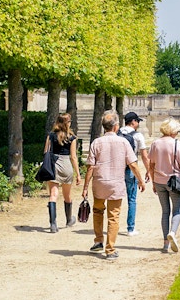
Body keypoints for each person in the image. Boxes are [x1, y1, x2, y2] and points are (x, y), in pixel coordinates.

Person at [83, 110, 145, 260]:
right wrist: (140, 180)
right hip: (116, 183)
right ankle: (110, 249)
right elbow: (133, 164)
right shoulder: (123, 142)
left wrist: (85, 187)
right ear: (116, 127)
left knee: (98, 211)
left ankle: (98, 241)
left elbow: (90, 166)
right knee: (113, 216)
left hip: (100, 182)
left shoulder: (96, 142)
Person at [148, 117, 180, 253]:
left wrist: (153, 182)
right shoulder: (176, 143)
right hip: (174, 182)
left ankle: (165, 243)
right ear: (173, 131)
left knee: (165, 212)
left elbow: (151, 165)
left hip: (159, 181)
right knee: (176, 210)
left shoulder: (155, 143)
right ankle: (172, 232)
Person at [44, 113, 81, 233]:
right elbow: (73, 157)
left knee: (53, 195)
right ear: (68, 123)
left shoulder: (50, 136)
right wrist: (78, 174)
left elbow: (46, 152)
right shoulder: (72, 137)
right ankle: (69, 219)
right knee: (67, 195)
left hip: (54, 165)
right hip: (66, 165)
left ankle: (53, 224)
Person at [119, 111, 150, 236]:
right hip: (131, 168)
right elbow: (144, 156)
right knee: (132, 199)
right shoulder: (138, 136)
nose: (138, 123)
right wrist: (148, 171)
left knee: (115, 198)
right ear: (133, 122)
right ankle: (130, 228)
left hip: (117, 168)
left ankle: (112, 224)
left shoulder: (117, 132)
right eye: (137, 121)